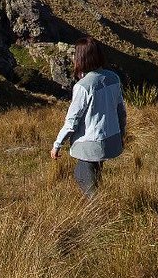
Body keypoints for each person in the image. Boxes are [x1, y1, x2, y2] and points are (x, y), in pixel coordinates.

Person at [51, 37, 127, 195]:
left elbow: (72, 122)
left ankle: (98, 211)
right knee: (95, 174)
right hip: (111, 139)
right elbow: (121, 111)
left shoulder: (83, 86)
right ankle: (100, 206)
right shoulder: (113, 78)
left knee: (82, 176)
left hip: (91, 143)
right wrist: (121, 135)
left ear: (81, 58)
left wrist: (57, 144)